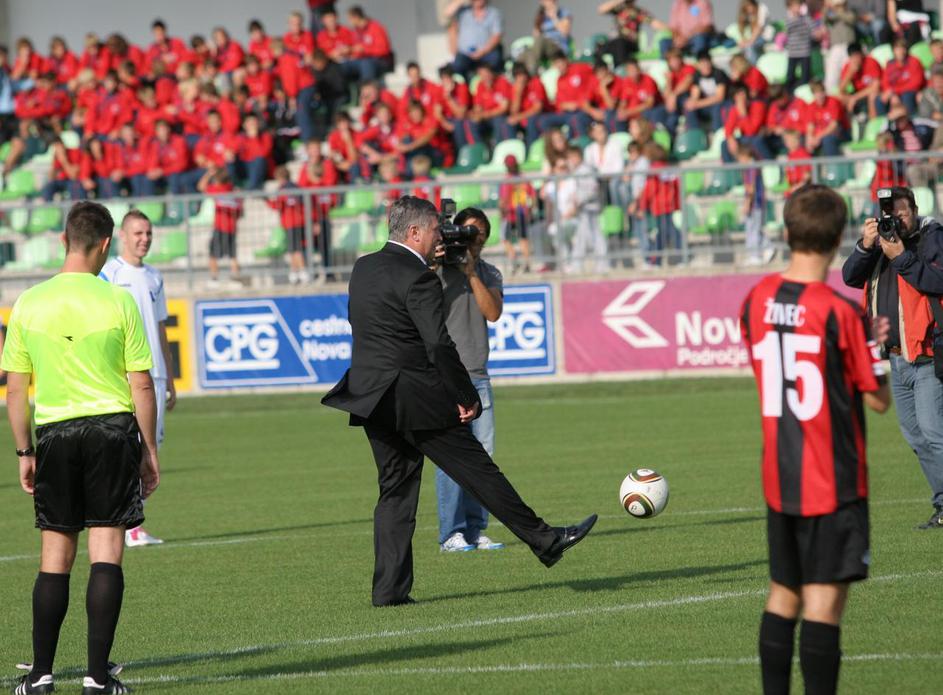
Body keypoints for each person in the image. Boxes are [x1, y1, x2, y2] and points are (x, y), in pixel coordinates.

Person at [321, 196, 597, 606]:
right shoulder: (420, 277)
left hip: (372, 396)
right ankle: (546, 539)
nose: (441, 237)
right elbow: (438, 343)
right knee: (478, 470)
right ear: (413, 232)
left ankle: (389, 591)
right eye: (435, 229)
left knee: (394, 492)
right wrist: (465, 396)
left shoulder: (363, 267)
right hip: (415, 396)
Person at [3, 201, 159, 695]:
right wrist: (149, 450)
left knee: (55, 555)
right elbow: (142, 385)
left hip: (55, 434)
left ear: (62, 240)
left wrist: (25, 453)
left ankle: (42, 675)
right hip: (111, 433)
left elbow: (15, 391)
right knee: (107, 552)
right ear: (107, 244)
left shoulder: (28, 302)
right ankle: (96, 678)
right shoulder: (118, 301)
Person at [741, 184, 890, 695]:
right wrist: (874, 341)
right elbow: (877, 399)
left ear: (787, 233)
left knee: (783, 595)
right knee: (823, 604)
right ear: (838, 239)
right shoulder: (841, 312)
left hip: (780, 475)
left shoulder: (756, 299)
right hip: (832, 479)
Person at [842, 186, 943, 529]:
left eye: (902, 213)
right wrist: (866, 246)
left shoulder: (931, 238)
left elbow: (936, 280)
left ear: (915, 210)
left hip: (928, 355)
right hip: (897, 358)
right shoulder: (882, 243)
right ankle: (942, 506)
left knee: (934, 434)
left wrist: (900, 255)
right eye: (890, 215)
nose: (896, 220)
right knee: (916, 437)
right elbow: (850, 276)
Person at [99, 211, 176, 548]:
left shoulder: (156, 277)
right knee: (128, 449)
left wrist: (170, 379)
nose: (144, 238)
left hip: (155, 376)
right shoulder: (109, 274)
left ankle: (133, 523)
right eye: (137, 233)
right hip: (125, 375)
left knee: (150, 449)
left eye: (148, 232)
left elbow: (161, 331)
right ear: (122, 236)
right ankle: (126, 525)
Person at [433, 207, 506, 552]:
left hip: (478, 375)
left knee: (483, 458)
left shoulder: (489, 272)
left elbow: (492, 312)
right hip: (447, 377)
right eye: (465, 232)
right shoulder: (438, 271)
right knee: (451, 458)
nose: (471, 239)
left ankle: (476, 529)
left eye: (478, 234)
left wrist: (472, 272)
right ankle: (452, 533)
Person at [446, 0, 504, 83]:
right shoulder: (463, 12)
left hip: (487, 52)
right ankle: (464, 90)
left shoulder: (494, 13)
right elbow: (448, 12)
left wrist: (483, 51)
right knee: (457, 68)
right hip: (465, 53)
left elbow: (497, 35)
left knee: (495, 62)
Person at [498, 154, 537, 272]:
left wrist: (501, 213)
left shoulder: (507, 180)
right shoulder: (523, 178)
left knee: (505, 237)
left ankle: (514, 260)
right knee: (523, 238)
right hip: (522, 212)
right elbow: (533, 196)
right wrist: (531, 209)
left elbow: (503, 200)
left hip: (510, 213)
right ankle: (527, 263)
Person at [738, 146, 773, 265]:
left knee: (754, 228)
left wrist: (747, 203)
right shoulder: (750, 168)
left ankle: (756, 255)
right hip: (754, 202)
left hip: (756, 203)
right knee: (751, 228)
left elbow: (751, 188)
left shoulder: (752, 168)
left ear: (746, 157)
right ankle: (766, 247)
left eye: (740, 158)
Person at [522, 0, 573, 74]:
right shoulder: (540, 15)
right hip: (542, 48)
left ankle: (533, 72)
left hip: (558, 46)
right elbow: (535, 35)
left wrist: (554, 17)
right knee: (525, 52)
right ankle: (527, 72)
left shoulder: (563, 12)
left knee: (541, 41)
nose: (546, 2)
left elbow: (565, 32)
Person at [784, 0, 814, 91]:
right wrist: (796, 17)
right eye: (794, 6)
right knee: (790, 76)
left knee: (805, 76)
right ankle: (789, 92)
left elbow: (812, 29)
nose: (797, 8)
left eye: (799, 5)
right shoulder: (788, 19)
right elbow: (788, 27)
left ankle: (804, 92)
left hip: (804, 52)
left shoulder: (806, 18)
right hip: (793, 52)